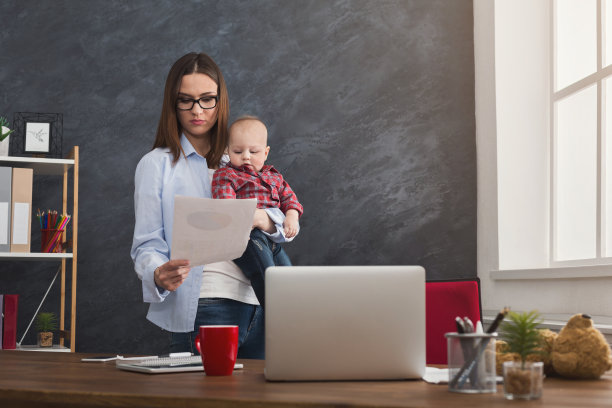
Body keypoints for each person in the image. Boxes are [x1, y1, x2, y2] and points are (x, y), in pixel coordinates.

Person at [131, 52, 287, 358]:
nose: (197, 110)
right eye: (185, 100)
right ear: (172, 103)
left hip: (262, 305)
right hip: (206, 304)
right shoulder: (157, 165)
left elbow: (283, 223)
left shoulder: (243, 157)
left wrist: (261, 218)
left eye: (207, 99)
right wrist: (156, 273)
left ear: (221, 101)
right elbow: (146, 244)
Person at [212, 116, 303, 307]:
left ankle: (297, 315)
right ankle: (279, 316)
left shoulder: (274, 176)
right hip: (249, 236)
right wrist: (240, 222)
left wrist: (292, 217)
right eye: (238, 151)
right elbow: (226, 205)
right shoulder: (226, 174)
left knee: (289, 279)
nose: (246, 156)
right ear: (228, 150)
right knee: (266, 276)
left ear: (266, 152)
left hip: (271, 240)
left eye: (253, 151)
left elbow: (290, 200)